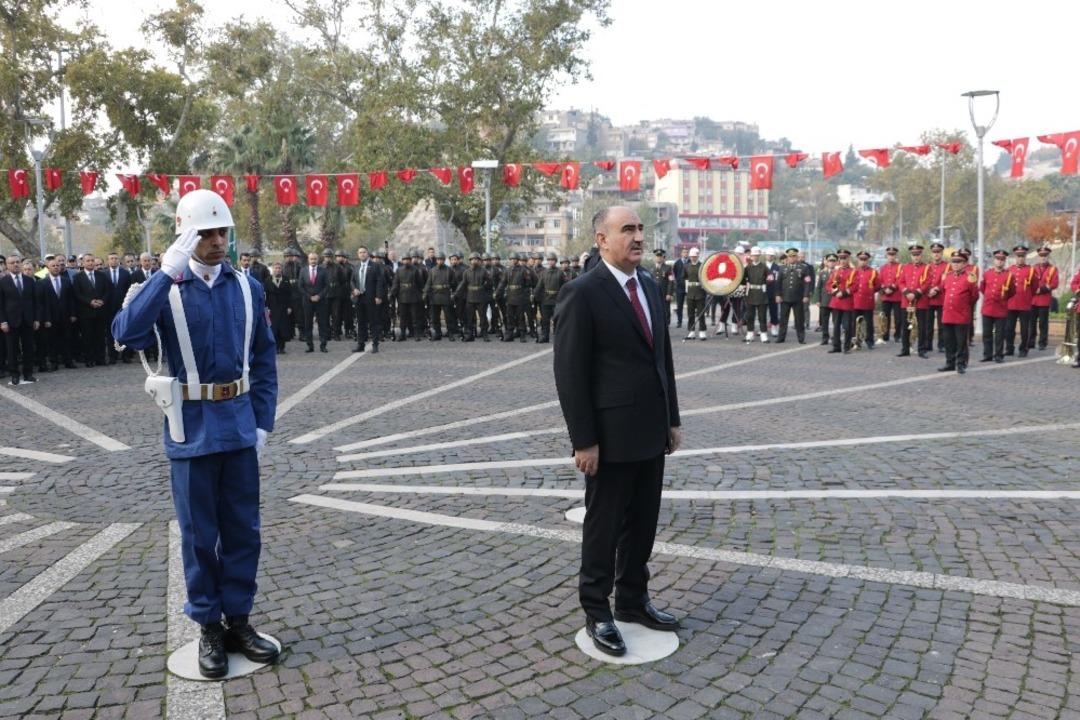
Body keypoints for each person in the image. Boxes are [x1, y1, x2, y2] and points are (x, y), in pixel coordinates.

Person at [112, 189, 279, 679]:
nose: (216, 241)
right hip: (191, 429)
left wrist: (264, 422)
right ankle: (208, 625)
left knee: (244, 531)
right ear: (185, 235)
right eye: (204, 233)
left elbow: (265, 359)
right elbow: (126, 333)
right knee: (200, 535)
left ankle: (240, 620)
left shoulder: (247, 287)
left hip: (240, 425)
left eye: (222, 231)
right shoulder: (165, 288)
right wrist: (165, 272)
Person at [553, 205, 682, 658]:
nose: (638, 236)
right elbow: (570, 373)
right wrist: (583, 440)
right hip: (608, 438)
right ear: (601, 239)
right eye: (627, 229)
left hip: (649, 431)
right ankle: (597, 610)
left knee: (643, 524)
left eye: (641, 228)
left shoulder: (648, 284)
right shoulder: (582, 292)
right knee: (603, 528)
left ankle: (632, 600)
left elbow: (661, 356)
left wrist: (672, 418)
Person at [0, 254, 40, 385]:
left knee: (29, 348)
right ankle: (14, 374)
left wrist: (36, 319)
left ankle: (28, 374)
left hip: (28, 320)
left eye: (17, 262)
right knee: (12, 349)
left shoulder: (29, 280)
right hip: (11, 321)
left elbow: (35, 301)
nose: (15, 265)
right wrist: (3, 321)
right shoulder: (3, 281)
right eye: (12, 263)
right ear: (7, 265)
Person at [937, 252, 977, 374]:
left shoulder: (969, 277)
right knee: (948, 341)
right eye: (953, 262)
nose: (955, 264)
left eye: (958, 262)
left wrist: (963, 306)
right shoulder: (947, 276)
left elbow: (974, 296)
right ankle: (950, 362)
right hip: (948, 314)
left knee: (961, 342)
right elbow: (944, 293)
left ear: (964, 264)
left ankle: (961, 363)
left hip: (961, 315)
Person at [36, 255, 76, 371]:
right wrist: (46, 319)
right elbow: (41, 304)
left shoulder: (67, 281)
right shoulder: (42, 283)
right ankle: (54, 362)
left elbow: (71, 299)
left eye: (57, 265)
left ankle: (68, 361)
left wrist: (73, 314)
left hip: (66, 316)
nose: (56, 267)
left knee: (67, 339)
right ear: (48, 268)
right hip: (50, 318)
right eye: (53, 266)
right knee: (52, 341)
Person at [73, 253, 109, 367]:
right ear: (83, 263)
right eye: (88, 261)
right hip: (86, 312)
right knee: (87, 337)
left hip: (101, 311)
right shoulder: (77, 277)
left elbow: (108, 291)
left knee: (100, 337)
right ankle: (89, 359)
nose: (90, 263)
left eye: (92, 260)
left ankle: (101, 359)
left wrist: (102, 301)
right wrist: (90, 302)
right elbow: (77, 294)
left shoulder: (102, 275)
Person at [979, 250, 1013, 363]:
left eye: (1002, 259)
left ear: (1004, 261)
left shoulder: (1009, 276)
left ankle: (998, 355)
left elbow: (1012, 291)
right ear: (994, 260)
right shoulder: (987, 273)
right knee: (987, 334)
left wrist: (1002, 299)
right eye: (997, 259)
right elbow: (982, 288)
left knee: (1000, 334)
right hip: (988, 307)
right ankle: (987, 354)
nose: (999, 261)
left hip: (1000, 309)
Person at [898, 245, 931, 358]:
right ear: (911, 256)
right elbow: (900, 282)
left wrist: (916, 293)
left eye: (918, 255)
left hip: (920, 301)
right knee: (906, 326)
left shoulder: (926, 267)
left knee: (922, 327)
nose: (916, 257)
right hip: (906, 301)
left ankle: (921, 350)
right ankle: (905, 349)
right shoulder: (905, 267)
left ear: (921, 255)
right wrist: (907, 293)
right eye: (914, 255)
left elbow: (927, 283)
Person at [350, 246, 385, 353]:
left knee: (373, 322)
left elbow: (380, 282)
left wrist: (379, 296)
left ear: (368, 253)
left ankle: (375, 344)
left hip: (371, 298)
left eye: (364, 252)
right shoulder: (356, 267)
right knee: (361, 322)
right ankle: (361, 345)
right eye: (360, 252)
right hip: (359, 298)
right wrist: (354, 289)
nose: (362, 254)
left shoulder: (375, 266)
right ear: (358, 254)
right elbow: (352, 281)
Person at [1004, 245, 1035, 357]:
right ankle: (1009, 348)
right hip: (1011, 303)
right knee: (1009, 328)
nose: (1020, 258)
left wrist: (1027, 297)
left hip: (1024, 304)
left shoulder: (1031, 270)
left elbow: (1034, 287)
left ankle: (1023, 349)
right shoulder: (1009, 270)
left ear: (1025, 257)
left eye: (1022, 256)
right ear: (1015, 257)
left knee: (1024, 329)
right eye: (1018, 256)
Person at [775, 248, 810, 344]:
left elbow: (807, 282)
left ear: (796, 257)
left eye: (794, 256)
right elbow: (778, 283)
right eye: (790, 256)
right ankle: (781, 337)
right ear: (787, 257)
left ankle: (801, 338)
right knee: (783, 319)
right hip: (785, 297)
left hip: (798, 298)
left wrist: (806, 295)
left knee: (799, 320)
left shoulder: (803, 268)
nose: (792, 258)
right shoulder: (782, 268)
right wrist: (778, 295)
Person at [299, 252, 330, 352]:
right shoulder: (303, 270)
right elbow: (300, 286)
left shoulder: (323, 270)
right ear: (308, 260)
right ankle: (310, 345)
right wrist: (309, 297)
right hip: (307, 301)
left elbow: (327, 286)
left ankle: (323, 345)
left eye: (315, 259)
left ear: (318, 260)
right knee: (308, 323)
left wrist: (319, 296)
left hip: (321, 301)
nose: (313, 261)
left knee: (322, 323)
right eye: (311, 259)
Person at [104, 252, 132, 364]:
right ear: (108, 261)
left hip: (123, 307)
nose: (114, 260)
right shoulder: (103, 274)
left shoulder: (125, 274)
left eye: (116, 258)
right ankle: (112, 356)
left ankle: (126, 355)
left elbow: (129, 291)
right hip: (108, 308)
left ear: (119, 260)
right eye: (111, 258)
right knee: (110, 333)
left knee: (124, 331)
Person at [497, 253, 532, 342]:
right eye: (511, 259)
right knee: (510, 316)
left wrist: (525, 294)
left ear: (518, 260)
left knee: (520, 317)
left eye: (515, 259)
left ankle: (522, 334)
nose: (513, 260)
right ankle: (509, 334)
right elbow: (502, 283)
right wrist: (497, 292)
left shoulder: (523, 270)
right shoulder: (507, 271)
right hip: (510, 296)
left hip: (520, 296)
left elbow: (528, 284)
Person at [457, 252, 492, 342]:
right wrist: (456, 293)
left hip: (481, 297)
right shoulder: (466, 272)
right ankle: (469, 334)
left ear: (479, 261)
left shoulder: (484, 271)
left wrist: (484, 288)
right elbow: (463, 283)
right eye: (473, 259)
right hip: (470, 297)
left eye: (476, 259)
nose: (474, 261)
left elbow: (489, 282)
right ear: (470, 261)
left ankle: (485, 334)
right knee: (469, 318)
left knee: (483, 317)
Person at [1029, 246, 1059, 351]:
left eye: (1045, 256)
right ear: (1038, 257)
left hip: (1044, 300)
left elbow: (1054, 283)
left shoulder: (1053, 269)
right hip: (1032, 300)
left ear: (1048, 256)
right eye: (1041, 256)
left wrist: (1041, 289)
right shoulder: (1032, 268)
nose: (1043, 258)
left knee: (1043, 324)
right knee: (1031, 323)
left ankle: (1042, 343)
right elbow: (1028, 282)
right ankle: (1031, 342)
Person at [533, 253, 566, 343]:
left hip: (557, 299)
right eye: (549, 260)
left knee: (557, 319)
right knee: (545, 320)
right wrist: (534, 295)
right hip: (546, 299)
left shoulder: (560, 272)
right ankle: (545, 336)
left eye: (552, 260)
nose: (551, 262)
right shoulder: (544, 273)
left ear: (555, 261)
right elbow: (539, 285)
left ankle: (558, 336)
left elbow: (564, 286)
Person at [826, 249, 855, 353]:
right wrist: (835, 291)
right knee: (836, 325)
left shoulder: (853, 271)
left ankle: (847, 347)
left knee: (847, 326)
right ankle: (836, 346)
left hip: (847, 301)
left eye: (844, 258)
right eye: (841, 258)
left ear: (848, 259)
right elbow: (829, 284)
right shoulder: (835, 271)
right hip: (836, 302)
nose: (842, 260)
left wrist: (842, 293)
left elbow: (854, 286)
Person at [391, 252, 424, 341]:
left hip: (413, 296)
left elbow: (420, 283)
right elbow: (396, 283)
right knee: (403, 317)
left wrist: (420, 294)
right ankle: (402, 334)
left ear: (410, 260)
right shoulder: (399, 270)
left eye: (408, 260)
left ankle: (416, 334)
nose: (406, 261)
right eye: (404, 260)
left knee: (415, 316)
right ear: (402, 261)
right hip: (402, 296)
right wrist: (392, 293)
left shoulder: (415, 270)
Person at [850, 251, 880, 349]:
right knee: (855, 322)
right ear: (858, 260)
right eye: (861, 259)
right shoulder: (853, 271)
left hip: (868, 301)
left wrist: (870, 292)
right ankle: (856, 341)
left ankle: (869, 341)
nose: (863, 261)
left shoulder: (873, 272)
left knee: (869, 323)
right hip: (855, 300)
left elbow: (878, 285)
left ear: (868, 260)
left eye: (865, 260)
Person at [423, 252, 455, 341]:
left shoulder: (449, 270)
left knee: (448, 316)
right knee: (435, 317)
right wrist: (425, 294)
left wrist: (454, 294)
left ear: (444, 260)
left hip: (445, 295)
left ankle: (451, 333)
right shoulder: (432, 271)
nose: (440, 261)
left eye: (441, 259)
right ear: (436, 260)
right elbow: (428, 284)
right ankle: (437, 333)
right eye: (438, 259)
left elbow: (454, 284)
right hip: (435, 296)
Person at [264, 262, 294, 354]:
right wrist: (266, 308)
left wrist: (289, 306)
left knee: (283, 329)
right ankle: (275, 347)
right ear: (272, 269)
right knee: (273, 329)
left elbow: (290, 294)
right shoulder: (268, 280)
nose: (277, 270)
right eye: (276, 268)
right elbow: (265, 296)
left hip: (283, 308)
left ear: (282, 269)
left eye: (279, 268)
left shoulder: (286, 280)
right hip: (271, 309)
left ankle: (282, 347)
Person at [742, 247, 770, 343]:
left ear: (759, 256)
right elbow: (742, 280)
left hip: (761, 294)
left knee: (762, 316)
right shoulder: (748, 267)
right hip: (750, 293)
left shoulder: (764, 267)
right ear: (751, 256)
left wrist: (768, 282)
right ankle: (750, 333)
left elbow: (770, 278)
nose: (755, 257)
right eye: (754, 255)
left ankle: (763, 334)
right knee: (750, 316)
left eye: (757, 255)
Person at [925, 243, 948, 352]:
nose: (936, 254)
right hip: (928, 298)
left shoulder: (947, 266)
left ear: (942, 253)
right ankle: (928, 344)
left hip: (941, 298)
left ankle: (942, 345)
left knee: (941, 324)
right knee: (928, 323)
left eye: (938, 252)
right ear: (931, 253)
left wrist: (937, 289)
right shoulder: (927, 266)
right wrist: (929, 289)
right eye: (934, 252)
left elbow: (947, 280)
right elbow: (924, 280)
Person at [877, 247, 903, 343]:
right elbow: (880, 280)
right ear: (886, 256)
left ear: (896, 256)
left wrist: (891, 288)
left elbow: (900, 279)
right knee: (885, 317)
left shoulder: (900, 267)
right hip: (886, 296)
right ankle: (885, 335)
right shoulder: (883, 268)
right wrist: (884, 289)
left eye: (893, 255)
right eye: (889, 255)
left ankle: (897, 335)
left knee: (898, 318)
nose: (891, 257)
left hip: (896, 295)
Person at [682, 247, 707, 341]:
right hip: (690, 291)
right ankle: (691, 331)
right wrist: (686, 291)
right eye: (692, 256)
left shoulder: (702, 266)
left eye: (695, 256)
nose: (693, 258)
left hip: (700, 291)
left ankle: (702, 331)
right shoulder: (686, 266)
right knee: (690, 313)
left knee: (701, 313)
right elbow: (685, 278)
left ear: (698, 256)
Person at [814, 253, 837, 345]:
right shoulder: (822, 273)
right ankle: (825, 337)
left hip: (834, 300)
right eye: (830, 261)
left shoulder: (837, 273)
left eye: (833, 261)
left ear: (836, 263)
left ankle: (835, 337)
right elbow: (818, 287)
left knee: (835, 320)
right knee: (824, 321)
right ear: (826, 262)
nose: (831, 263)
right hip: (824, 300)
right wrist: (818, 300)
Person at [651, 249, 673, 328]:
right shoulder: (652, 268)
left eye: (660, 257)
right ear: (655, 258)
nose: (659, 258)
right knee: (655, 308)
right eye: (657, 257)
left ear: (663, 258)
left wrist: (669, 293)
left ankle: (666, 324)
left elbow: (671, 281)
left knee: (666, 309)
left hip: (664, 293)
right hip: (654, 293)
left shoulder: (668, 268)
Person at [672, 246, 689, 328]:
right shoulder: (677, 263)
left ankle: (691, 321)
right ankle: (679, 321)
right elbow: (674, 273)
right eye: (684, 252)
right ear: (681, 253)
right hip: (680, 287)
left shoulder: (690, 262)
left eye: (686, 252)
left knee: (691, 305)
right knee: (679, 305)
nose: (685, 254)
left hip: (689, 286)